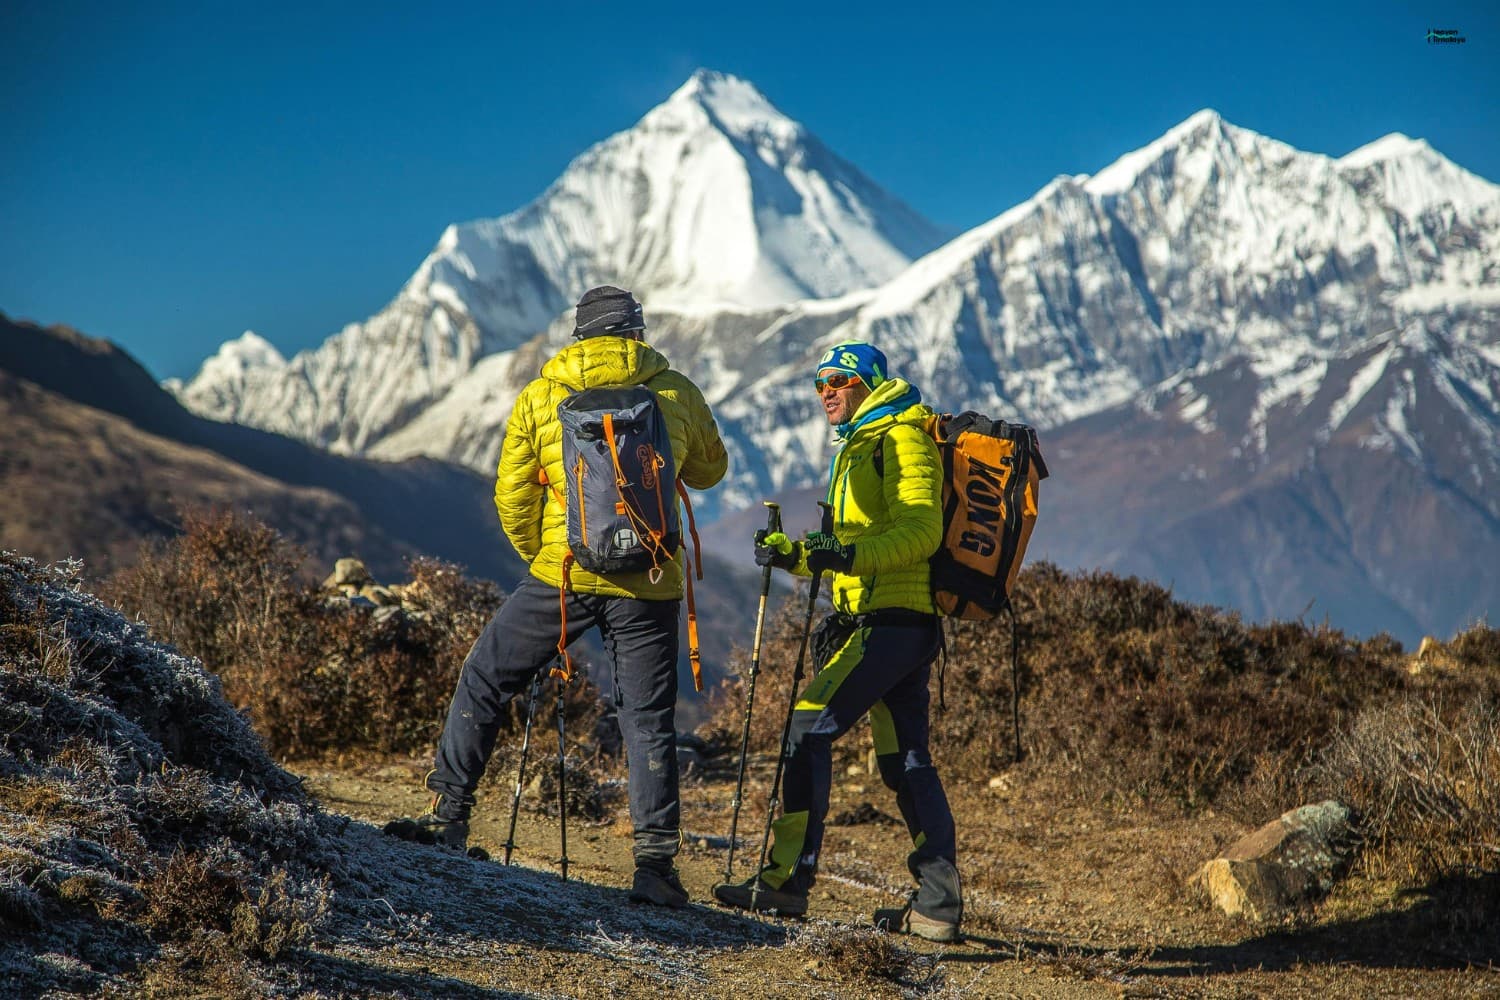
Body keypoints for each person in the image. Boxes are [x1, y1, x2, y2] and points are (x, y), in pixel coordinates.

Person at [387, 285, 728, 909]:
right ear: (636, 332)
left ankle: (449, 816)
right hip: (651, 581)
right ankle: (655, 868)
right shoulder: (675, 392)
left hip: (563, 575)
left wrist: (546, 560)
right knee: (647, 719)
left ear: (580, 335)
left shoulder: (543, 396)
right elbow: (710, 472)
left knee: (487, 677)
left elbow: (513, 497)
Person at [711, 341, 963, 941]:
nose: (827, 389)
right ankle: (937, 905)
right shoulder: (860, 441)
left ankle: (785, 883)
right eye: (819, 381)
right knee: (904, 760)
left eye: (841, 379)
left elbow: (921, 533)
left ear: (869, 383)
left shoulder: (900, 438)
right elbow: (849, 548)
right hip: (889, 622)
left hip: (892, 621)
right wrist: (796, 555)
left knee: (807, 726)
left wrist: (846, 553)